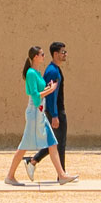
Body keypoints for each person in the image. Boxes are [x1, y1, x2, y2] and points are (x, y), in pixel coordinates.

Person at [4, 46, 74, 186]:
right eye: (42, 54)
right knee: (24, 145)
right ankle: (10, 176)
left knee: (52, 142)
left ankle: (62, 175)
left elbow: (40, 92)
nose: (44, 56)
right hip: (34, 112)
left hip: (40, 112)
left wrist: (48, 88)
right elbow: (35, 97)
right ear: (35, 56)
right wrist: (51, 90)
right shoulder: (31, 73)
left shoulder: (36, 72)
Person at [28, 41, 69, 174]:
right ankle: (61, 174)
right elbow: (51, 96)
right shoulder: (52, 71)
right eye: (63, 52)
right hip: (55, 111)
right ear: (55, 54)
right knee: (59, 143)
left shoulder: (55, 69)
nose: (65, 54)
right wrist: (55, 115)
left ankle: (33, 161)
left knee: (54, 142)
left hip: (55, 110)